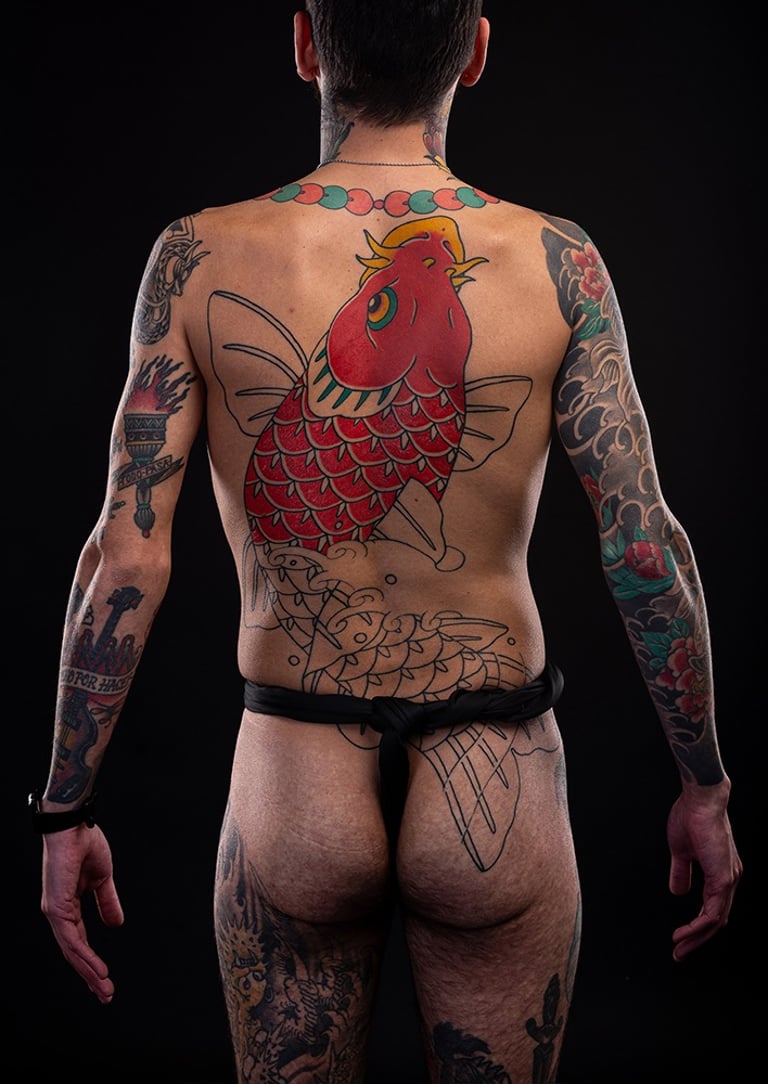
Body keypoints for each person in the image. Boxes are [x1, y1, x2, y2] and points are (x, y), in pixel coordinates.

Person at [31, 2, 742, 1080]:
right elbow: (647, 549)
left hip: (294, 776)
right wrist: (706, 785)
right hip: (498, 763)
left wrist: (64, 806)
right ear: (477, 51)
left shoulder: (196, 255)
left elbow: (121, 560)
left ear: (306, 42)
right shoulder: (560, 261)